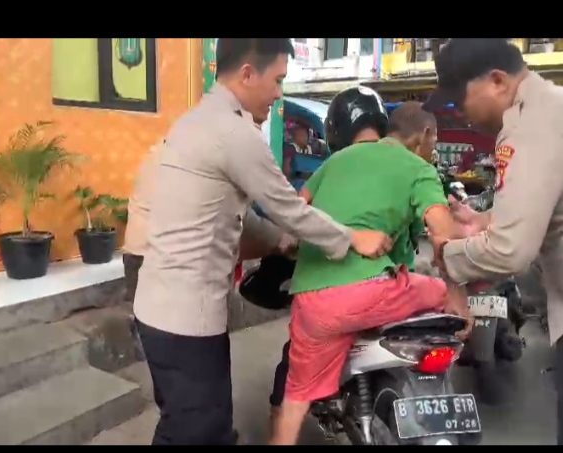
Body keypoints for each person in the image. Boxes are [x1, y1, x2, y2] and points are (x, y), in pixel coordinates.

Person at [133, 39, 394, 446]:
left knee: (183, 424)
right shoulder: (233, 133)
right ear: (247, 74)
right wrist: (352, 238)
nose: (278, 94)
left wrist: (281, 242)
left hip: (161, 308)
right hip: (183, 317)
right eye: (277, 80)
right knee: (200, 431)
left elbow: (233, 218)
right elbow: (289, 207)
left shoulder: (197, 121)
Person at [424, 38, 563, 445]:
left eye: (459, 99)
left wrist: (447, 256)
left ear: (497, 81)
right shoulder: (559, 107)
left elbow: (509, 251)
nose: (459, 112)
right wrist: (485, 220)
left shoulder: (531, 124)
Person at [269, 95, 474, 445]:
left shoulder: (331, 163)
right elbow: (444, 236)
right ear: (424, 135)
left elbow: (290, 230)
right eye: (435, 142)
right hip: (372, 293)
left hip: (313, 304)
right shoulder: (418, 169)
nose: (434, 151)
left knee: (296, 398)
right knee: (438, 291)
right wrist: (459, 299)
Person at [122, 143, 161, 303]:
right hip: (152, 253)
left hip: (134, 249)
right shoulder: (173, 164)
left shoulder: (155, 154)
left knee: (138, 307)